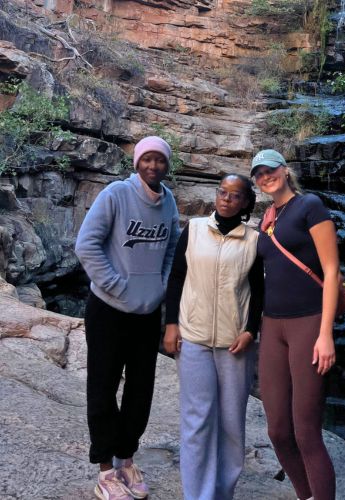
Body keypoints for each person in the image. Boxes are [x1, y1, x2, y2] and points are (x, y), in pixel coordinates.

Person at [75, 136, 180, 500]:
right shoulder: (116, 195)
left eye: (160, 160)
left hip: (147, 313)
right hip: (108, 310)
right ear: (137, 163)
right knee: (102, 388)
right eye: (147, 159)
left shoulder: (169, 204)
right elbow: (86, 244)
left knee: (140, 391)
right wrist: (117, 285)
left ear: (167, 165)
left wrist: (160, 286)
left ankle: (126, 460)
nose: (153, 165)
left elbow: (171, 251)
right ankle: (105, 470)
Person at [163, 174, 264, 500]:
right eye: (223, 192)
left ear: (246, 202)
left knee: (232, 424)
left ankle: (222, 492)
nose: (226, 199)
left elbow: (259, 291)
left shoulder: (253, 240)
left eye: (235, 196)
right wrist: (171, 324)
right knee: (197, 422)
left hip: (234, 343)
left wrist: (251, 330)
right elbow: (177, 277)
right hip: (193, 338)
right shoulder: (192, 230)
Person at [251, 149, 339, 500]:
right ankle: (306, 495)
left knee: (306, 431)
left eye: (270, 170)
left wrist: (326, 334)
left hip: (309, 323)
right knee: (277, 430)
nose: (264, 177)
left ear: (285, 171)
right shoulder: (267, 217)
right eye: (258, 173)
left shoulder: (310, 206)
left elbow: (331, 271)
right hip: (272, 327)